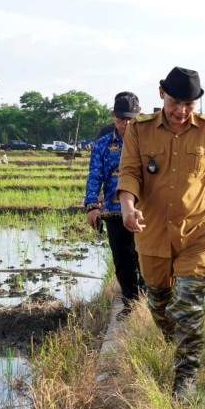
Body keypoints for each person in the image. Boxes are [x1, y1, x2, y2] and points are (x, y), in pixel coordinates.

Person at [116, 66, 205, 397]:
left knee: (188, 304)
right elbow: (130, 172)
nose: (181, 111)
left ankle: (186, 378)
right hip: (151, 232)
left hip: (197, 232)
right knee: (161, 306)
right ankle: (179, 343)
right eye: (176, 102)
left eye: (189, 104)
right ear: (161, 93)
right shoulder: (140, 131)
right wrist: (127, 207)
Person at [85, 91, 143, 319]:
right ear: (113, 116)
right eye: (121, 118)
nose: (125, 123)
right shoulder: (102, 145)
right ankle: (131, 303)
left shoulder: (148, 141)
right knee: (123, 260)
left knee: (147, 258)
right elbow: (94, 176)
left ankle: (151, 301)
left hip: (145, 211)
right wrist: (92, 205)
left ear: (139, 113)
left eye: (130, 118)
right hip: (114, 210)